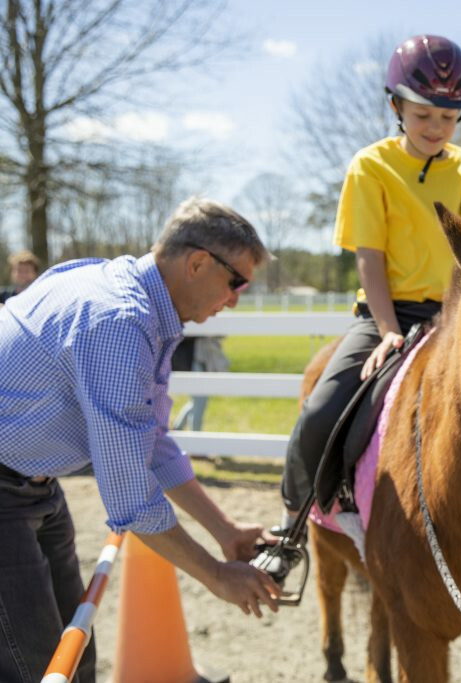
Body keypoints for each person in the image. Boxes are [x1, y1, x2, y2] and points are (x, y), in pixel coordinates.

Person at [0, 197, 281, 683]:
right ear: (197, 263)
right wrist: (215, 575)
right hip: (10, 486)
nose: (236, 298)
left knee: (73, 650)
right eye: (236, 282)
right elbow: (129, 492)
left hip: (31, 483)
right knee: (35, 665)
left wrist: (226, 530)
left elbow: (150, 443)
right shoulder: (119, 322)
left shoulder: (130, 298)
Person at [279, 34, 461, 525]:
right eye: (423, 114)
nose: (436, 127)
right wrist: (387, 330)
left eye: (447, 116)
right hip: (387, 313)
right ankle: (293, 521)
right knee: (321, 409)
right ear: (397, 105)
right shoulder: (371, 166)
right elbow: (369, 258)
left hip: (453, 315)